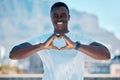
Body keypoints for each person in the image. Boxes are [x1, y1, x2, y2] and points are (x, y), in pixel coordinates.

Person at [9, 2, 111, 80]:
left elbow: (106, 55)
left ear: (69, 17)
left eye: (63, 15)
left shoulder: (81, 39)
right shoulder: (42, 40)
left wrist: (76, 46)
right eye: (55, 15)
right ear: (51, 18)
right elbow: (13, 55)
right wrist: (42, 46)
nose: (59, 18)